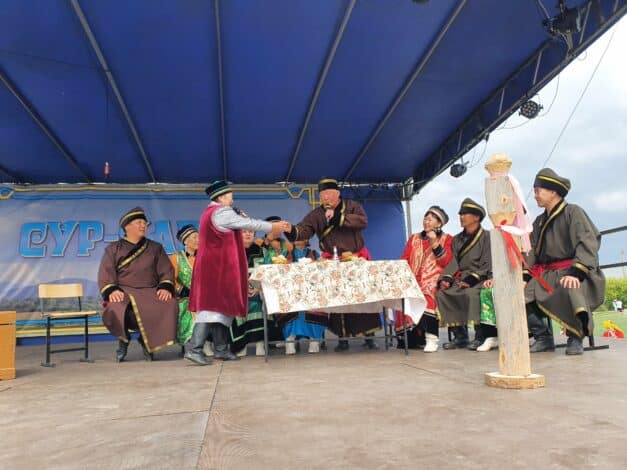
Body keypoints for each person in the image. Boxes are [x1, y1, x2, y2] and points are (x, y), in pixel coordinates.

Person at [185, 180, 289, 365]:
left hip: (217, 268)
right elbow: (247, 223)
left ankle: (221, 349)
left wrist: (235, 213)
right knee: (209, 309)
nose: (232, 199)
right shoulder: (220, 212)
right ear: (221, 197)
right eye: (230, 196)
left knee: (221, 308)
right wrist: (273, 226)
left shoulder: (212, 213)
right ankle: (194, 349)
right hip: (215, 269)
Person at [284, 177, 380, 351]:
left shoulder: (352, 206)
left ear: (338, 194)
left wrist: (338, 217)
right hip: (333, 261)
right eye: (322, 195)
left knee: (363, 296)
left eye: (329, 193)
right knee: (338, 297)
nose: (326, 197)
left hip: (355, 258)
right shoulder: (317, 214)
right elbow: (304, 230)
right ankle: (342, 338)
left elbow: (362, 221)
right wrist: (290, 229)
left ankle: (369, 336)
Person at [524, 168, 605, 355]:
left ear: (553, 192)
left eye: (538, 191)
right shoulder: (539, 221)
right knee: (521, 295)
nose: (535, 195)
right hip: (549, 274)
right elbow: (532, 252)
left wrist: (576, 272)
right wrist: (525, 277)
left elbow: (588, 242)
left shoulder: (573, 212)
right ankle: (543, 337)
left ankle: (575, 336)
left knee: (571, 287)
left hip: (576, 271)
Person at [98, 207, 178, 362]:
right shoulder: (113, 249)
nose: (143, 225)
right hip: (125, 291)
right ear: (127, 227)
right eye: (139, 222)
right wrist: (112, 290)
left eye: (144, 223)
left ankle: (147, 341)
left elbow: (166, 270)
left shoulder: (155, 248)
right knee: (115, 307)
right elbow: (106, 272)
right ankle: (123, 339)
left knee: (170, 303)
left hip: (150, 290)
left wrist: (165, 286)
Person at [436, 198, 493, 351]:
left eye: (465, 214)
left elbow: (488, 263)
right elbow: (454, 261)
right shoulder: (457, 239)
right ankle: (460, 336)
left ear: (476, 217)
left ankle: (480, 336)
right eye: (460, 214)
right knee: (443, 293)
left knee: (471, 294)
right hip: (462, 278)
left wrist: (471, 279)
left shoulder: (487, 237)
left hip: (480, 278)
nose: (461, 217)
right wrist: (446, 278)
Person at [395, 206, 453, 352]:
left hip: (435, 280)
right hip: (413, 279)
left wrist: (434, 243)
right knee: (404, 293)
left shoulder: (447, 239)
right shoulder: (414, 238)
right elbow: (404, 259)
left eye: (430, 220)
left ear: (439, 223)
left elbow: (446, 262)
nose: (426, 222)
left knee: (427, 293)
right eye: (425, 219)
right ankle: (413, 337)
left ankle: (432, 338)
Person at [229, 229, 284, 357]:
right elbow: (226, 274)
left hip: (258, 290)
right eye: (244, 232)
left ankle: (260, 343)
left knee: (260, 302)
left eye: (251, 231)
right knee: (235, 306)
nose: (248, 234)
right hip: (236, 291)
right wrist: (240, 289)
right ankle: (241, 345)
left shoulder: (263, 251)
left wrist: (259, 289)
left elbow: (269, 273)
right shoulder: (231, 252)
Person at [278, 239, 327, 354]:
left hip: (311, 292)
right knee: (291, 309)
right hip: (292, 292)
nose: (298, 240)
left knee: (315, 309)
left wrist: (320, 263)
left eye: (301, 237)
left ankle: (314, 342)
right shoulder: (286, 254)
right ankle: (289, 342)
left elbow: (323, 270)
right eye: (296, 238)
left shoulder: (314, 253)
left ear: (306, 239)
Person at [169, 224, 199, 347]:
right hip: (185, 296)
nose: (198, 240)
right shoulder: (176, 258)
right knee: (187, 307)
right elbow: (171, 279)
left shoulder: (204, 257)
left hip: (204, 297)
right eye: (195, 237)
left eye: (199, 237)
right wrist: (181, 290)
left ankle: (207, 342)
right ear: (185, 241)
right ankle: (188, 343)